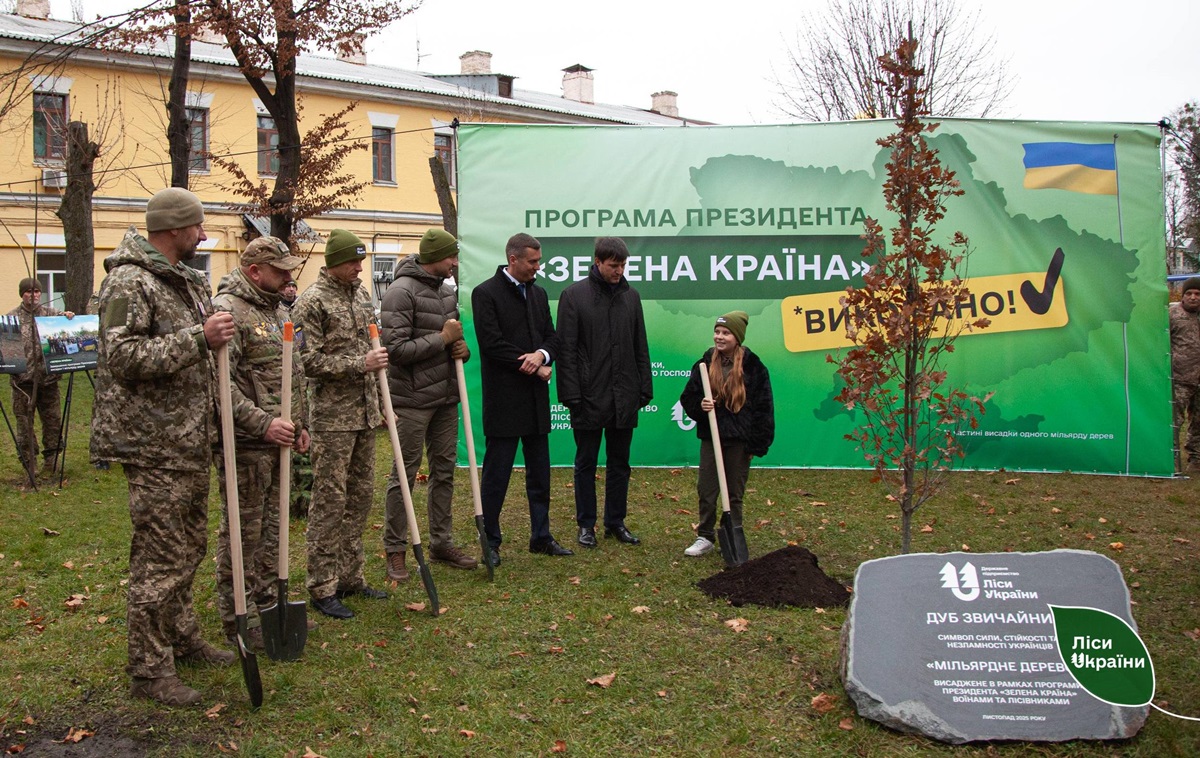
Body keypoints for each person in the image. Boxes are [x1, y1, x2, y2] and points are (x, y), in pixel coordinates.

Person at [91, 187, 238, 706]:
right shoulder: (128, 281)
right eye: (197, 226)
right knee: (160, 559)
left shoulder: (184, 280)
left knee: (188, 547)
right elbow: (123, 357)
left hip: (188, 439)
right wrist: (199, 338)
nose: (203, 234)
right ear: (175, 228)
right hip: (151, 443)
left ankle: (182, 637)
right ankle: (149, 670)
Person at [211, 236, 310, 648]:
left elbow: (292, 373)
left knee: (273, 529)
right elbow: (220, 385)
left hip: (279, 440)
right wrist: (264, 424)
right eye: (280, 270)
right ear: (255, 271)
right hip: (247, 443)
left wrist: (299, 423)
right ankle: (239, 612)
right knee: (244, 531)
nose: (289, 277)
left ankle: (269, 602)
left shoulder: (276, 310)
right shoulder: (229, 311)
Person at [292, 229, 390, 620]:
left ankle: (351, 576)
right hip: (332, 419)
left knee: (360, 498)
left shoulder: (362, 296)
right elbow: (306, 361)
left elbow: (372, 350)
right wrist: (358, 364)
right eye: (353, 261)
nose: (359, 267)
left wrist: (381, 400)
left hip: (364, 414)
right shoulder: (311, 302)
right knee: (329, 502)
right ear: (334, 262)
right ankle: (322, 585)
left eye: (361, 260)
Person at [380, 228, 478, 581]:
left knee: (444, 471)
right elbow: (395, 351)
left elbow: (453, 343)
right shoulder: (400, 292)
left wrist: (461, 350)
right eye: (452, 256)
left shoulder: (447, 293)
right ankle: (395, 549)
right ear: (436, 256)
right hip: (411, 400)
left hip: (446, 398)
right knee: (404, 475)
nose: (455, 263)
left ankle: (441, 542)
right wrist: (442, 339)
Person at [471, 232, 572, 564]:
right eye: (533, 262)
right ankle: (490, 542)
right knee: (496, 476)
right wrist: (532, 365)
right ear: (513, 259)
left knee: (540, 475)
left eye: (539, 261)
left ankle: (541, 536)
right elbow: (491, 344)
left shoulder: (538, 294)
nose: (537, 267)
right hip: (504, 401)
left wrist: (542, 355)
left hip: (535, 402)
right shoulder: (485, 293)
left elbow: (553, 338)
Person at [555, 237, 652, 548]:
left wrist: (644, 387)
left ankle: (615, 522)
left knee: (620, 462)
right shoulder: (573, 296)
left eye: (623, 265)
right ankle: (586, 525)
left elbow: (640, 344)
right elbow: (566, 351)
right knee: (586, 462)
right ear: (597, 262)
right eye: (613, 265)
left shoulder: (631, 297)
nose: (619, 271)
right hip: (587, 396)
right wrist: (571, 395)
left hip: (624, 394)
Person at [678, 311, 775, 558]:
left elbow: (764, 407)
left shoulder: (754, 367)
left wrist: (757, 445)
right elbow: (688, 397)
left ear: (737, 337)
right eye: (717, 332)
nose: (719, 337)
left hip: (740, 441)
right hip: (712, 437)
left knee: (734, 493)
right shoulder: (704, 364)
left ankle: (732, 534)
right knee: (707, 489)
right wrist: (700, 406)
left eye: (726, 333)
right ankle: (705, 536)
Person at [6, 278, 73, 478]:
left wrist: (68, 317)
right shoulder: (11, 319)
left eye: (36, 291)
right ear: (22, 294)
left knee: (53, 422)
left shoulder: (51, 315)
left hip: (48, 381)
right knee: (24, 424)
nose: (33, 295)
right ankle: (30, 462)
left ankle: (52, 461)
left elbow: (67, 325)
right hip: (22, 383)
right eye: (29, 291)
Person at [1169, 276, 1200, 471]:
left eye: (1197, 294)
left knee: (1198, 422)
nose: (1193, 297)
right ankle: (1170, 458)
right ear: (1183, 296)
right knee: (1174, 421)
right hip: (1180, 378)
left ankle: (1196, 459)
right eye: (1189, 293)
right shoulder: (1172, 315)